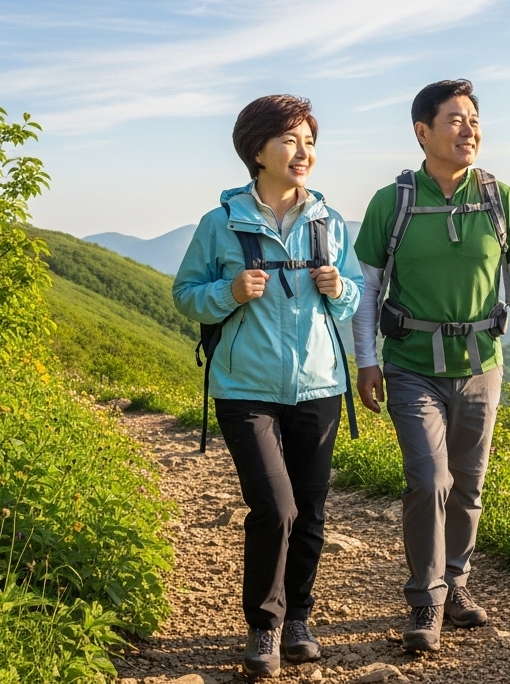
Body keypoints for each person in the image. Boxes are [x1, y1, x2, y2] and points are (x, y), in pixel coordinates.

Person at [173, 95, 363, 678]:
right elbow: (185, 294)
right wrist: (229, 292)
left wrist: (338, 288)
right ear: (256, 150)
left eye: (309, 140)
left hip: (318, 385)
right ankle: (265, 625)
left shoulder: (330, 222)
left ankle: (298, 617)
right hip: (244, 388)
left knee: (309, 508)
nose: (302, 151)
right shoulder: (219, 223)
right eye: (289, 140)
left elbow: (356, 296)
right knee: (274, 507)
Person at [352, 79, 510, 652]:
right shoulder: (394, 201)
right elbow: (366, 288)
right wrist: (367, 362)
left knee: (468, 484)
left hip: (483, 362)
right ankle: (426, 600)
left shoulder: (497, 197)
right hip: (411, 364)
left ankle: (456, 583)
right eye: (455, 120)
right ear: (422, 131)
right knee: (428, 479)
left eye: (475, 120)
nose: (469, 130)